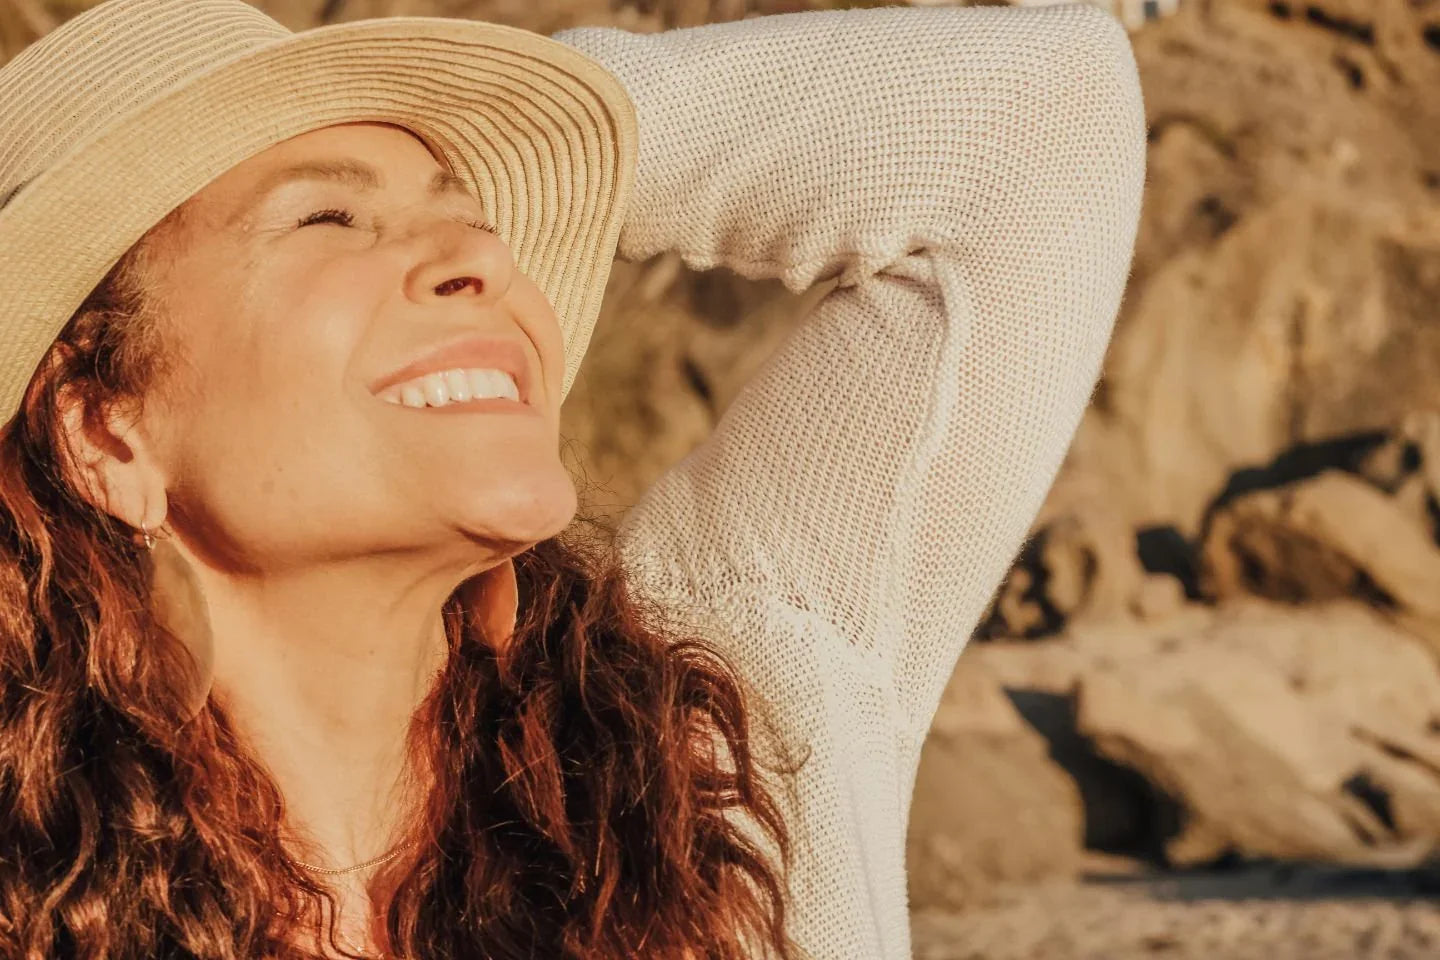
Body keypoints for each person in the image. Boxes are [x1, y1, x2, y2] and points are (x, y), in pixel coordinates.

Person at [0, 0, 1146, 956]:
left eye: (474, 218)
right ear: (102, 428)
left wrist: (547, 126)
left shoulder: (714, 742)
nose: (483, 256)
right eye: (328, 217)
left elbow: (1039, 117)